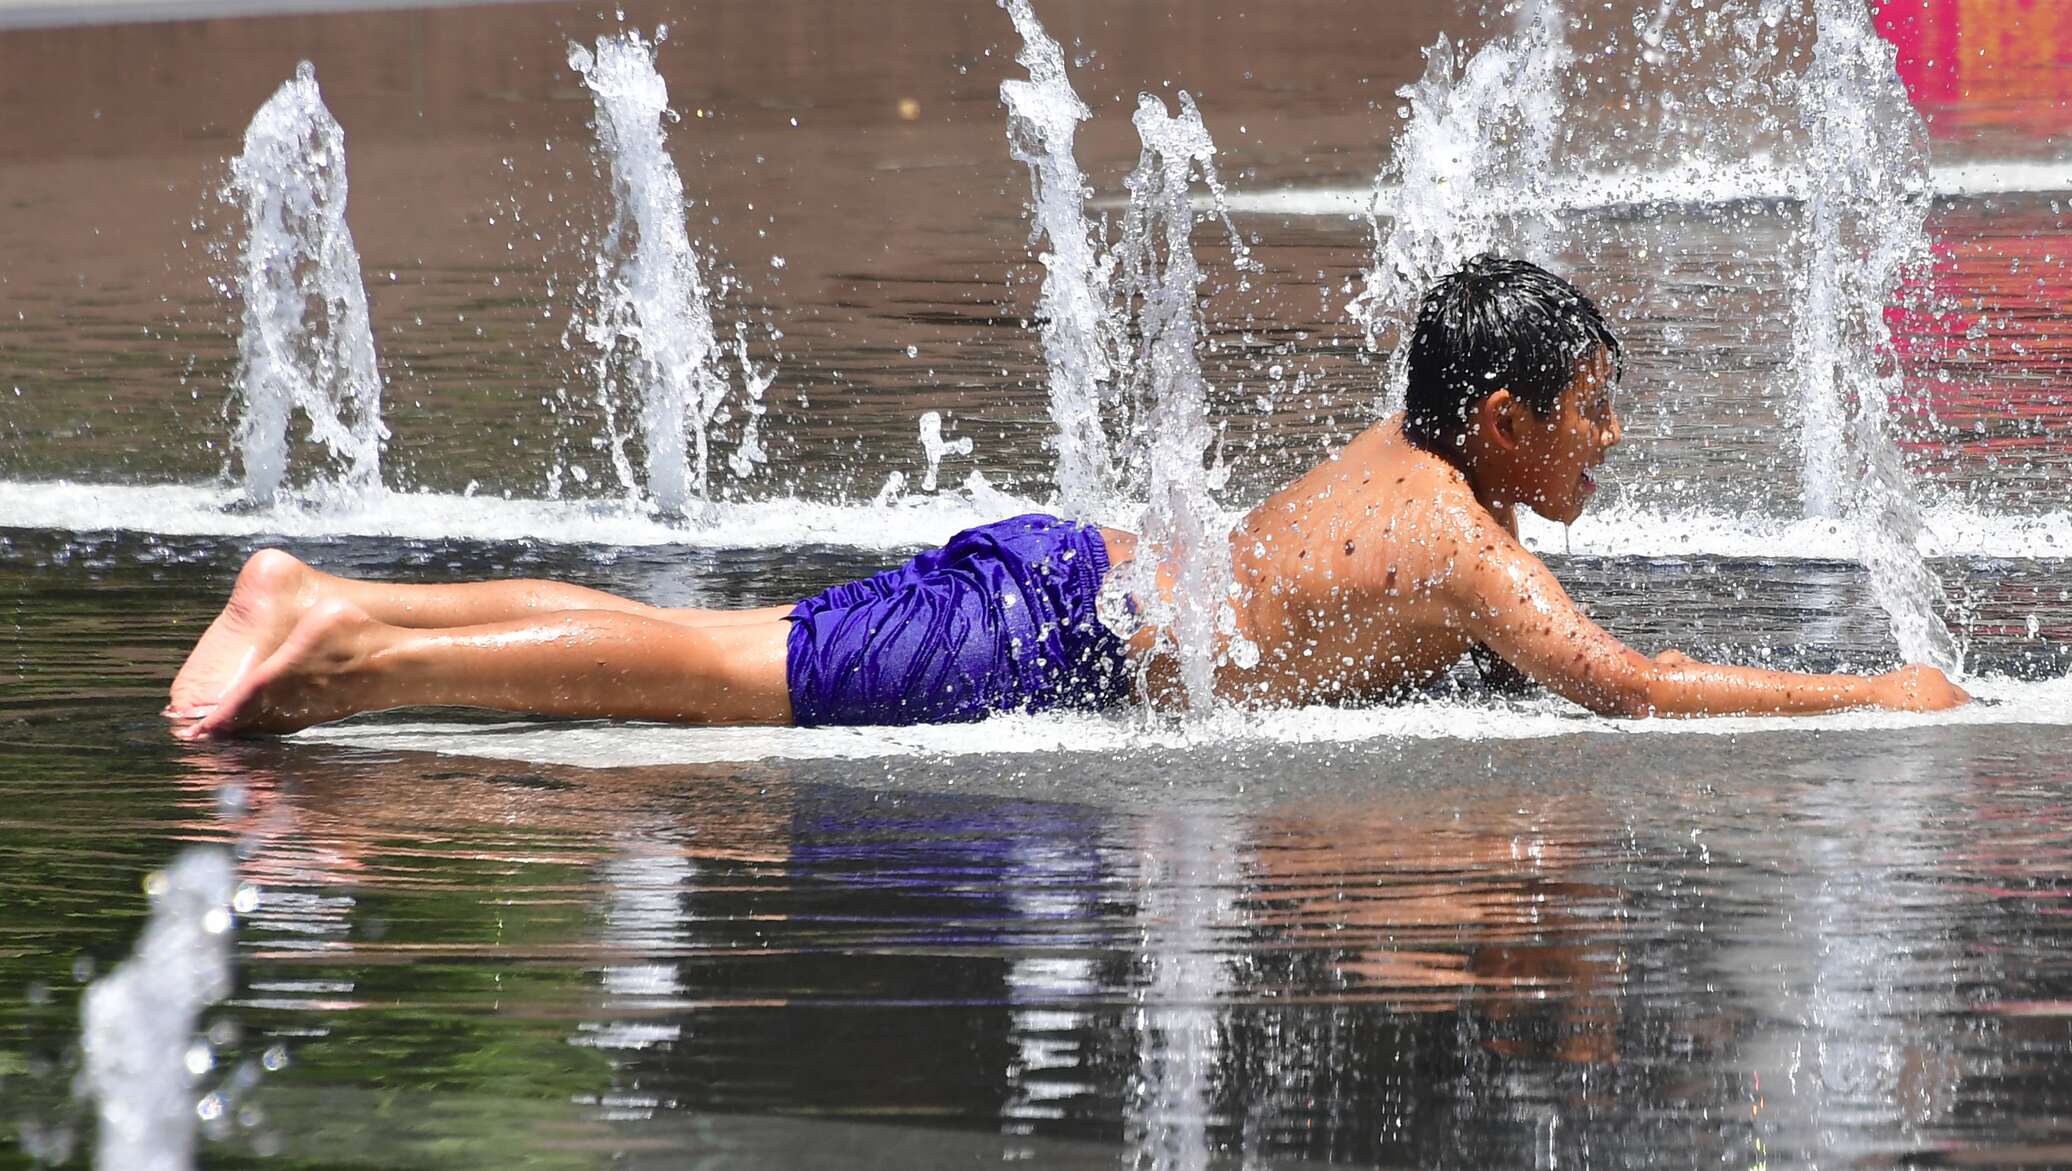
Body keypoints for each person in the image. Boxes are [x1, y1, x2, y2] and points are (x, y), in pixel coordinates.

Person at [166, 255, 1968, 739]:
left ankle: (339, 617)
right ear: (1500, 419)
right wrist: (1874, 693)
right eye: (1591, 413)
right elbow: (1631, 686)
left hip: (1062, 584)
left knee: (715, 647)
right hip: (1042, 641)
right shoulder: (1456, 540)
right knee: (696, 671)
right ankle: (337, 633)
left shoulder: (1418, 482)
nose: (1609, 445)